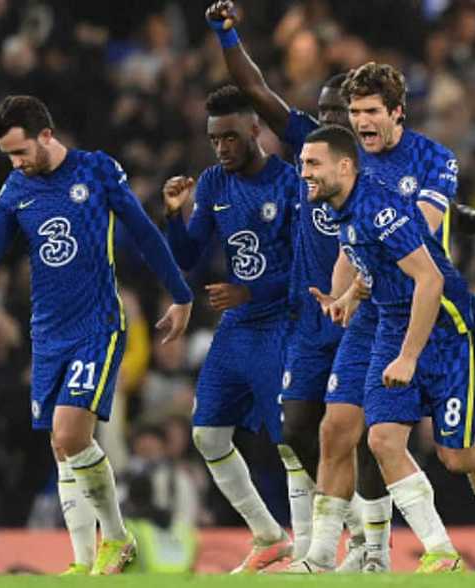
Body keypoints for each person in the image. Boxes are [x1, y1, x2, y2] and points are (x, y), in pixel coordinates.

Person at [204, 3, 475, 570]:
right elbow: (257, 88)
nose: (344, 122)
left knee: (438, 449)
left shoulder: (407, 167)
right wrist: (226, 32)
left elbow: (416, 237)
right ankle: (331, 552)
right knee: (325, 429)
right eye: (338, 112)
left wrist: (467, 220)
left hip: (419, 308)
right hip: (345, 310)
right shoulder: (331, 167)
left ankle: (381, 548)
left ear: (393, 113)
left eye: (358, 112)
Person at [0, 95, 193, 575]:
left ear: (46, 135)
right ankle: (83, 560)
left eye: (20, 151)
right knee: (59, 444)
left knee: (72, 432)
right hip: (48, 334)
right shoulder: (15, 188)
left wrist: (181, 294)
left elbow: (143, 232)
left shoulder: (96, 171)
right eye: (7, 155)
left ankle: (117, 537)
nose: (15, 162)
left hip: (97, 325)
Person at [299, 125, 475, 573]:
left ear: (344, 166)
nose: (305, 173)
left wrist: (409, 356)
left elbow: (430, 279)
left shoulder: (379, 209)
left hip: (450, 330)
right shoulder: (342, 207)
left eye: (313, 164)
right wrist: (346, 300)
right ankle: (441, 551)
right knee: (381, 439)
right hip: (393, 324)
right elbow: (372, 265)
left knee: (457, 456)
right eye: (303, 164)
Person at [161, 85, 299, 574]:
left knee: (291, 441)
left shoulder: (291, 183)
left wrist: (250, 293)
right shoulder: (215, 183)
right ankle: (268, 535)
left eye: (230, 137)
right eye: (214, 139)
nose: (221, 148)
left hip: (282, 321)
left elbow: (309, 270)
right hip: (238, 326)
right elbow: (189, 257)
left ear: (255, 129)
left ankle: (315, 551)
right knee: (208, 435)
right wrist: (175, 217)